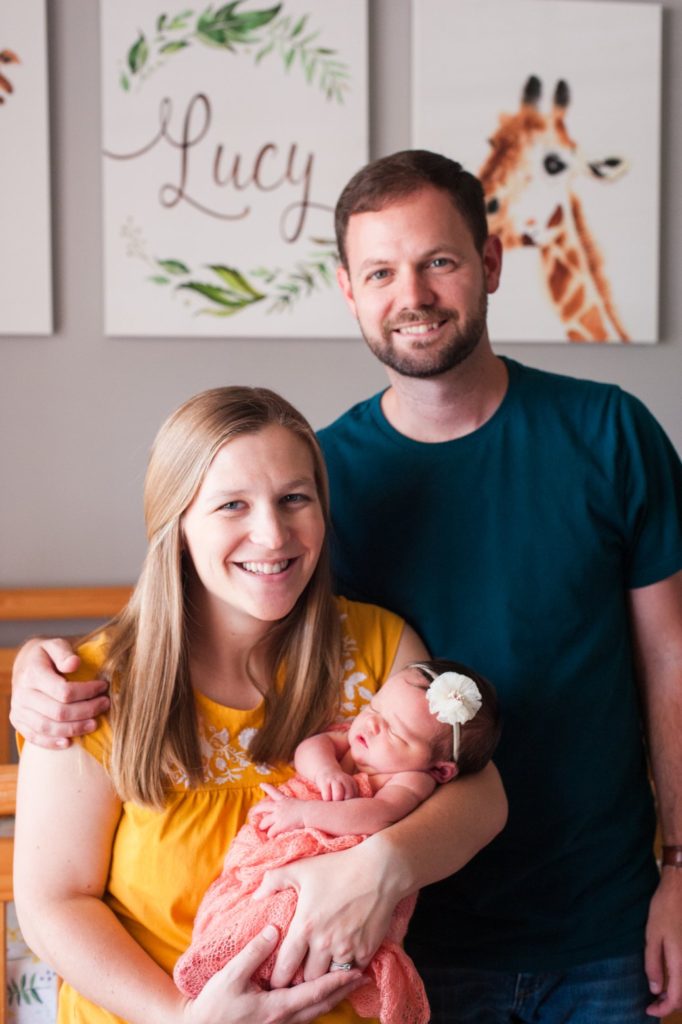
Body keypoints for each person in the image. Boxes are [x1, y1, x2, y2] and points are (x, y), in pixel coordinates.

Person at [11, 149, 682, 1021]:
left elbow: (668, 658)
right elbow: (199, 607)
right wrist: (38, 666)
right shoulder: (327, 470)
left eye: (439, 259)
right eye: (380, 270)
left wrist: (680, 865)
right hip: (419, 947)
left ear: (488, 263)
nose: (274, 531)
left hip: (599, 919)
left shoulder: (606, 434)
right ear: (348, 289)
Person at [13, 385, 506, 1024]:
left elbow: (477, 791)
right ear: (177, 523)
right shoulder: (89, 687)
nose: (272, 535)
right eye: (232, 505)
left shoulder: (381, 646)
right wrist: (190, 1019)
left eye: (295, 498)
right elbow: (55, 905)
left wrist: (382, 864)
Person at [173, 659, 501, 1024]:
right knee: (246, 894)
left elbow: (378, 815)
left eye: (395, 732)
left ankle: (254, 971)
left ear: (439, 769)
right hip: (288, 842)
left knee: (284, 915)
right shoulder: (353, 739)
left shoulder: (412, 781)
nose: (373, 724)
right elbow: (312, 747)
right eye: (374, 708)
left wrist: (305, 815)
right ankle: (220, 957)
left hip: (333, 859)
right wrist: (326, 770)